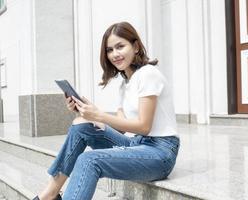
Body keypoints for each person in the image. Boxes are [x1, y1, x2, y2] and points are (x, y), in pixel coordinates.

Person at [33, 21, 180, 200]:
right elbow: (121, 128)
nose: (114, 54)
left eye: (120, 47)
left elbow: (144, 126)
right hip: (136, 144)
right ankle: (50, 194)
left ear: (135, 46)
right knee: (81, 126)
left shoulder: (148, 74)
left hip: (160, 153)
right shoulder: (125, 84)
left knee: (89, 160)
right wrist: (88, 112)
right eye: (110, 50)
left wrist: (99, 115)